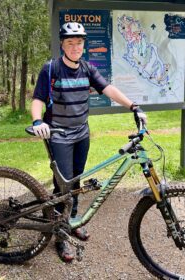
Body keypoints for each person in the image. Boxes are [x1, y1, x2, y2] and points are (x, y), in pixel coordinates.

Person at [31, 22, 147, 262]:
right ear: (62, 44)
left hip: (82, 133)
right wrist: (37, 121)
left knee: (77, 180)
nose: (75, 47)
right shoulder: (51, 69)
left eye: (79, 43)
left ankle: (71, 222)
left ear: (83, 45)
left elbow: (108, 89)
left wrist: (133, 106)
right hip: (59, 135)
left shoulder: (87, 68)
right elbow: (38, 99)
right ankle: (61, 236)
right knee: (63, 187)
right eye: (70, 42)